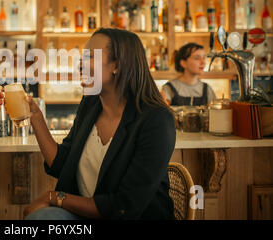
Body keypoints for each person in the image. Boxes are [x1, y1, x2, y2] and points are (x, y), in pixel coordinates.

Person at [23, 28, 176, 220]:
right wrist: (36, 117)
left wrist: (54, 197)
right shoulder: (91, 105)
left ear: (117, 65)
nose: (80, 64)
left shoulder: (156, 121)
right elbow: (62, 165)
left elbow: (125, 207)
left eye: (89, 57)